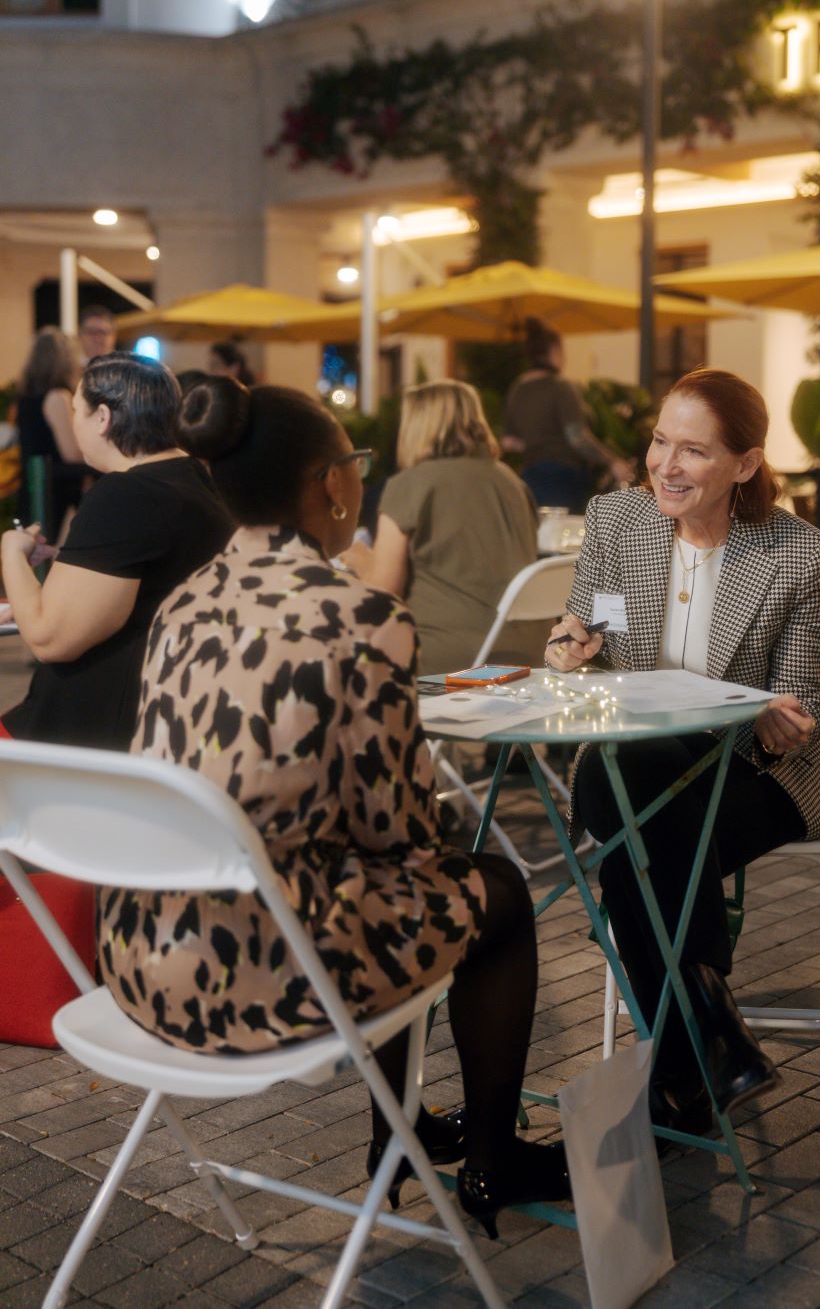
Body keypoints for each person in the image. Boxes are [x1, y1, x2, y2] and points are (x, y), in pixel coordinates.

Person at [96, 377, 570, 1234]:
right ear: (332, 486)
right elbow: (401, 838)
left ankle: (403, 1133)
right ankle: (493, 1160)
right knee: (490, 891)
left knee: (372, 884)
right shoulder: (362, 618)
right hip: (261, 980)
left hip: (142, 963)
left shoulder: (182, 606)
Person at [545, 368, 820, 1134]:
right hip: (642, 766)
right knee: (623, 786)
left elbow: (802, 703)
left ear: (745, 465)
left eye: (693, 451)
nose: (665, 464)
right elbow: (582, 623)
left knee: (627, 844)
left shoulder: (797, 553)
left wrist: (782, 718)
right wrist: (570, 644)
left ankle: (685, 1060)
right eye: (660, 441)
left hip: (754, 775)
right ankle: (711, 1038)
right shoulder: (618, 521)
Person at [0, 353, 232, 751]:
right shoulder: (197, 480)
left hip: (90, 733)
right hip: (165, 715)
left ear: (103, 418)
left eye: (76, 410)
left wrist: (11, 552)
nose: (73, 422)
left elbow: (48, 637)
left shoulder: (128, 494)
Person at [350, 379, 541, 675]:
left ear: (415, 426)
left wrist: (353, 556)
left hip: (447, 657)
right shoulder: (512, 482)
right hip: (529, 652)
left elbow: (383, 592)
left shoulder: (410, 484)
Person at [503, 317, 632, 510]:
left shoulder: (517, 389)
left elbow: (509, 442)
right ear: (554, 350)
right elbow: (577, 437)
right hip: (562, 478)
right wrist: (613, 461)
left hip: (530, 478)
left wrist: (536, 442)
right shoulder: (561, 387)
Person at [14, 327, 87, 538]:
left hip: (34, 485)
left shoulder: (25, 397)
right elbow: (71, 453)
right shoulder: (57, 397)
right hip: (54, 491)